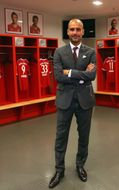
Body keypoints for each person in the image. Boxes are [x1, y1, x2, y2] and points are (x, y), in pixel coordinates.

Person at [48, 18, 96, 189]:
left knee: (84, 136)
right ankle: (59, 170)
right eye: (72, 29)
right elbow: (58, 76)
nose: (75, 32)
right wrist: (81, 73)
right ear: (67, 32)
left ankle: (80, 165)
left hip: (85, 100)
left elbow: (92, 76)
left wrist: (70, 72)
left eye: (78, 29)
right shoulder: (59, 52)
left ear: (83, 32)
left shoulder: (90, 52)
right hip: (65, 100)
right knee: (61, 137)